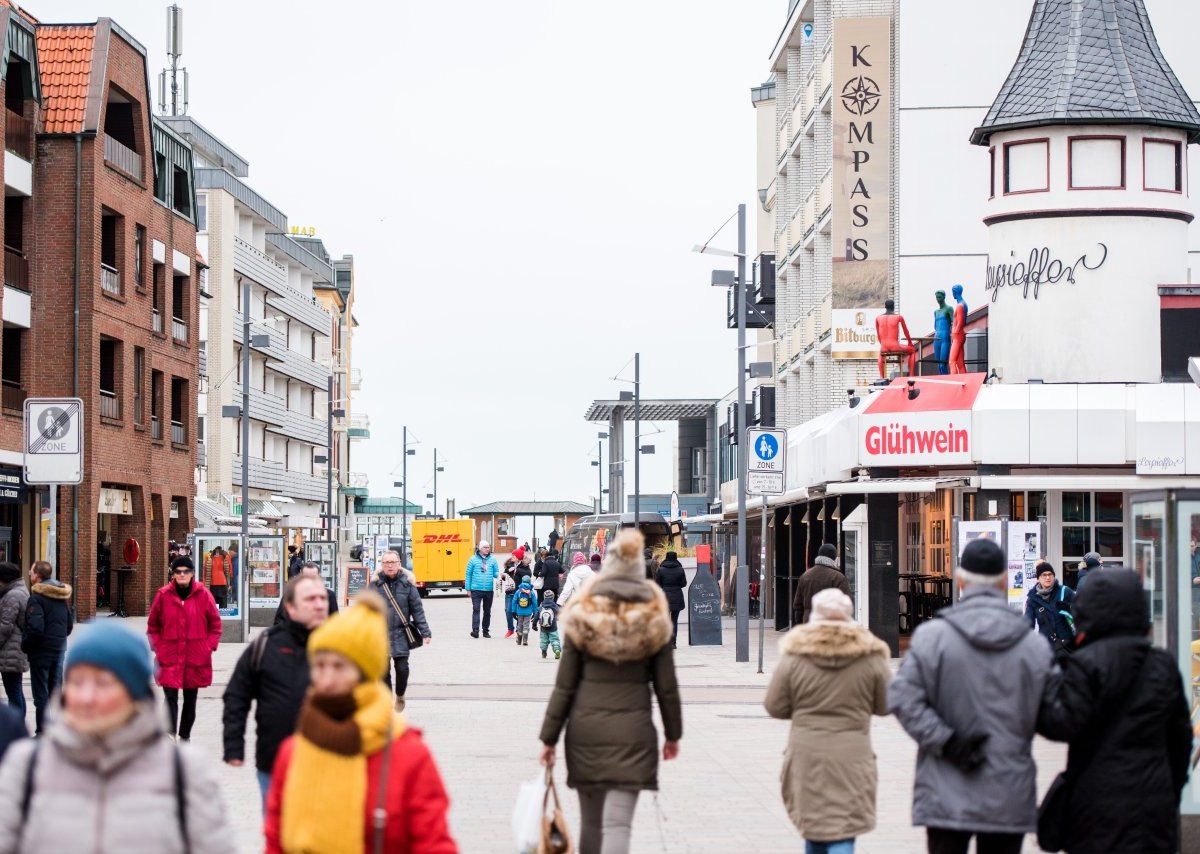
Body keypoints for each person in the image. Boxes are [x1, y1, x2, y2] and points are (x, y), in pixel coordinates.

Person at [0, 622, 235, 854]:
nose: (86, 696)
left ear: (133, 693)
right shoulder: (27, 766)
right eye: (77, 682)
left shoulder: (184, 771)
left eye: (103, 683)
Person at [888, 538, 1055, 854]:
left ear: (961, 580)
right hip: (1008, 790)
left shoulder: (932, 637)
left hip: (945, 789)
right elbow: (1056, 713)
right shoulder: (1032, 646)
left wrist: (947, 741)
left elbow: (901, 697)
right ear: (1005, 581)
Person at [264, 594, 456, 854]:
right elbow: (276, 841)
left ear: (365, 674)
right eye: (319, 665)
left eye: (339, 667)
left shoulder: (408, 755)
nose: (327, 679)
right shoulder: (293, 750)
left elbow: (434, 845)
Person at [539, 530, 682, 854]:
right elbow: (667, 688)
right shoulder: (652, 618)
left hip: (586, 734)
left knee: (590, 825)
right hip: (632, 736)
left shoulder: (584, 614)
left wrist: (549, 739)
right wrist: (673, 736)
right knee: (618, 825)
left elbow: (565, 686)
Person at [1037, 568, 1191, 854]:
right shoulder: (1162, 665)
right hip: (1153, 804)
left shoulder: (1085, 664)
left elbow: (1059, 723)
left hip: (1095, 801)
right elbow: (1180, 739)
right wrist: (1170, 787)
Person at [765, 589, 891, 854]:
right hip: (853, 753)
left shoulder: (795, 657)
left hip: (806, 752)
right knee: (844, 826)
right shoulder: (870, 657)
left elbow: (775, 706)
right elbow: (886, 704)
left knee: (814, 824)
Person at [225, 574, 332, 807]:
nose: (319, 604)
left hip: (330, 763)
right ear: (290, 607)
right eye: (310, 599)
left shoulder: (341, 645)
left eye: (322, 598)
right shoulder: (266, 645)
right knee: (277, 833)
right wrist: (234, 745)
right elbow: (237, 694)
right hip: (274, 760)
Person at [146, 556, 222, 742]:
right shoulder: (163, 595)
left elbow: (215, 625)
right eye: (178, 571)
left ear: (192, 574)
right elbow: (153, 626)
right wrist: (158, 647)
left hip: (195, 657)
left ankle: (185, 735)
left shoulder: (203, 595)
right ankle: (170, 733)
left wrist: (207, 647)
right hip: (169, 656)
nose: (182, 575)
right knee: (170, 695)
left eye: (185, 571)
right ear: (173, 574)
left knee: (190, 698)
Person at [371, 549, 431, 710]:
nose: (390, 566)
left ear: (399, 564)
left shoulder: (407, 584)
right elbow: (366, 610)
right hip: (380, 634)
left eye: (393, 562)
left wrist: (425, 631)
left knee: (402, 668)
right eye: (386, 563)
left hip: (401, 633)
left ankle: (400, 694)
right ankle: (386, 701)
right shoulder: (375, 585)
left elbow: (417, 609)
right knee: (383, 672)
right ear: (382, 565)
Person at [22, 561, 72, 736]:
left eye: (31, 571)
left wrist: (25, 644)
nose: (29, 573)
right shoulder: (61, 596)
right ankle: (59, 729)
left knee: (41, 693)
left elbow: (35, 628)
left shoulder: (36, 597)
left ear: (37, 575)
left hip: (41, 652)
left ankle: (42, 731)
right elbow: (69, 625)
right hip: (59, 649)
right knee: (56, 691)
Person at [1024, 561, 1075, 651]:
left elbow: (1081, 611)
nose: (1047, 577)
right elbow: (1028, 624)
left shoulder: (1065, 592)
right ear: (1038, 578)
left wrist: (1068, 608)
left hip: (1067, 645)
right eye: (1044, 575)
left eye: (1050, 574)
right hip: (1045, 647)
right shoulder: (1032, 598)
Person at [794, 544, 851, 624]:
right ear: (833, 558)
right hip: (831, 626)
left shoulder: (805, 576)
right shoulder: (838, 577)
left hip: (809, 624)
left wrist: (800, 625)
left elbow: (798, 605)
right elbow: (846, 603)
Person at [0, 564, 28, 719]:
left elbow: (6, 626)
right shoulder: (16, 592)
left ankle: (16, 725)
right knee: (15, 689)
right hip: (14, 650)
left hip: (11, 651)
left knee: (13, 691)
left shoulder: (13, 595)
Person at [273, 561, 338, 626]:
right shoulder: (291, 594)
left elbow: (335, 621)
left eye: (313, 577)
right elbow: (279, 620)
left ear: (319, 576)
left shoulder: (329, 595)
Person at [465, 540, 499, 638]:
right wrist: (468, 589)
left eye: (488, 547)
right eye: (485, 547)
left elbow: (496, 571)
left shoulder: (492, 560)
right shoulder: (472, 559)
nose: (487, 549)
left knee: (487, 610)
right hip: (476, 589)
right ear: (480, 548)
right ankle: (475, 630)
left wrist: (498, 575)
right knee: (476, 609)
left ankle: (485, 631)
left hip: (488, 589)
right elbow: (468, 574)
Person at [655, 551, 687, 649]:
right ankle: (673, 643)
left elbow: (658, 583)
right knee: (674, 620)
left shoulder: (660, 569)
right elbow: (683, 584)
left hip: (665, 596)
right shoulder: (680, 569)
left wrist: (665, 586)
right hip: (677, 595)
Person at [511, 577, 538, 646]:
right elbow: (535, 603)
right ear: (529, 582)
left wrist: (513, 611)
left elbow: (514, 601)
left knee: (520, 624)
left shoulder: (518, 591)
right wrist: (535, 613)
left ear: (522, 581)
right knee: (526, 625)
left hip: (519, 612)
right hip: (528, 613)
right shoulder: (531, 592)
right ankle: (525, 640)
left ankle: (519, 640)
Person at [537, 590, 561, 660]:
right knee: (554, 639)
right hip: (553, 627)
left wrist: (534, 624)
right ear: (552, 597)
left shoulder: (541, 605)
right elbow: (558, 612)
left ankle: (544, 652)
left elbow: (537, 614)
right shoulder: (554, 605)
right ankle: (557, 650)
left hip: (543, 627)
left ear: (544, 597)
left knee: (543, 640)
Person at [501, 557, 518, 638]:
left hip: (519, 592)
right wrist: (506, 572)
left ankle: (519, 630)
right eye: (513, 556)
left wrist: (517, 570)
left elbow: (528, 573)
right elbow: (504, 578)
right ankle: (510, 629)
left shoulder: (523, 565)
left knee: (519, 611)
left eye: (515, 556)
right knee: (508, 611)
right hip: (509, 592)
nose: (514, 557)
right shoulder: (508, 565)